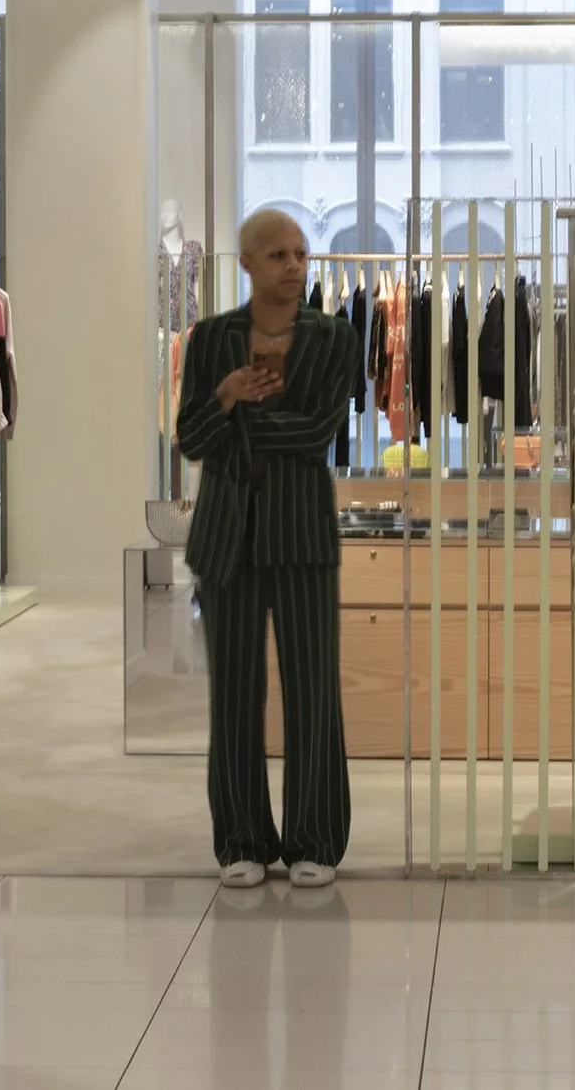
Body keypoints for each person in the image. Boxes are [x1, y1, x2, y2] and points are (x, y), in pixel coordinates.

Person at [177, 208, 360, 888]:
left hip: (301, 535)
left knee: (314, 691)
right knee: (233, 696)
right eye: (279, 254)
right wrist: (225, 396)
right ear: (247, 261)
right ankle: (240, 841)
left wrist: (233, 424)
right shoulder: (210, 338)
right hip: (227, 538)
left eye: (301, 253)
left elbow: (316, 434)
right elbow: (191, 439)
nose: (294, 265)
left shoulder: (334, 337)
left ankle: (315, 839)